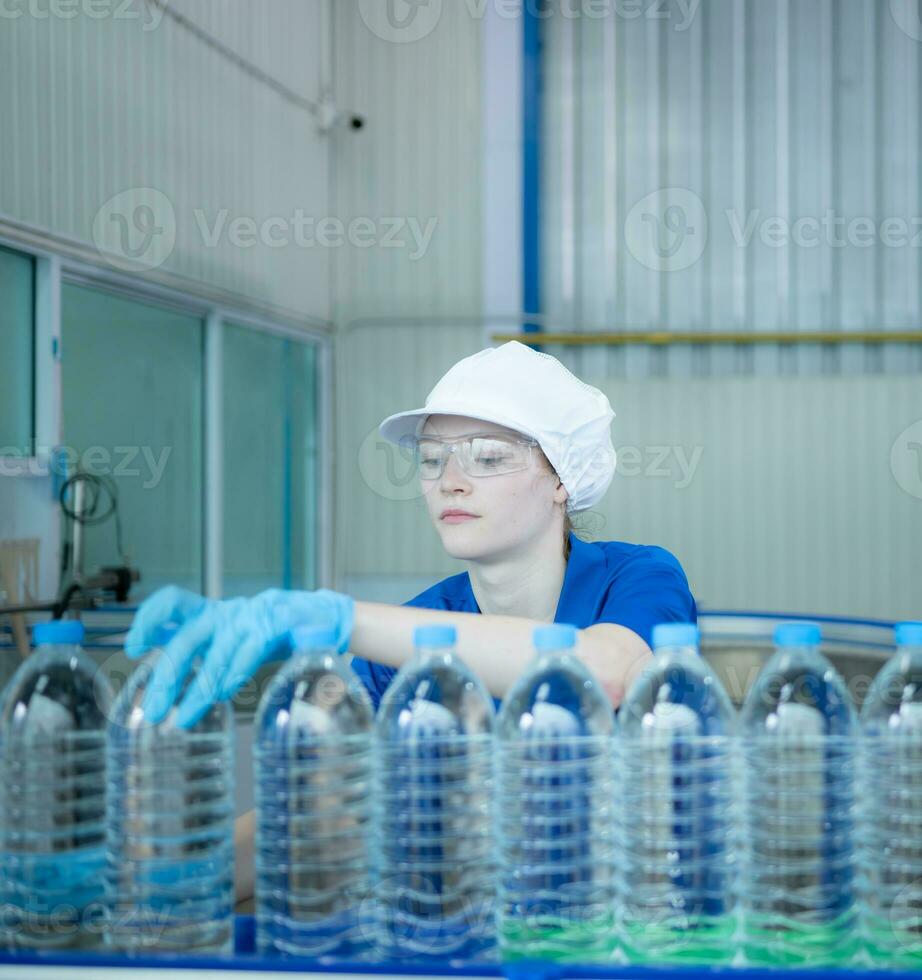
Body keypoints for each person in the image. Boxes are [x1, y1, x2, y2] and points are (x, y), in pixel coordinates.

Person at [123, 340, 698, 899]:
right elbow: (313, 814)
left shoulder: (638, 578)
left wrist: (341, 620)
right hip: (458, 940)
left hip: (634, 930)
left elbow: (605, 672)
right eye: (430, 459)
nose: (450, 480)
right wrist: (172, 881)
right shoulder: (406, 629)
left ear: (562, 480)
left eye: (489, 457)